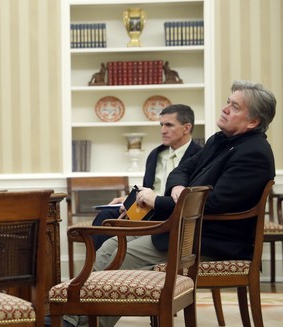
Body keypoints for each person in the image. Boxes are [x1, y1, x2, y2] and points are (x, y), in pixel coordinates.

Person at [64, 80, 276, 327]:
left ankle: (83, 323)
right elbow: (182, 170)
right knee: (111, 245)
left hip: (210, 242)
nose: (225, 108)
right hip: (185, 231)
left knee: (123, 258)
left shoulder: (254, 153)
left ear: (253, 121)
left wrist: (160, 201)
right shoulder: (219, 140)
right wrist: (177, 188)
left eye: (235, 106)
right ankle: (71, 317)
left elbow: (215, 204)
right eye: (228, 102)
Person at [91, 104, 202, 250]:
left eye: (169, 125)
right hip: (147, 209)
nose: (163, 130)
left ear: (186, 128)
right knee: (106, 216)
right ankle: (98, 270)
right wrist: (130, 200)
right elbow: (148, 188)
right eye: (161, 125)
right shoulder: (156, 154)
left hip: (171, 212)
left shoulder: (200, 156)